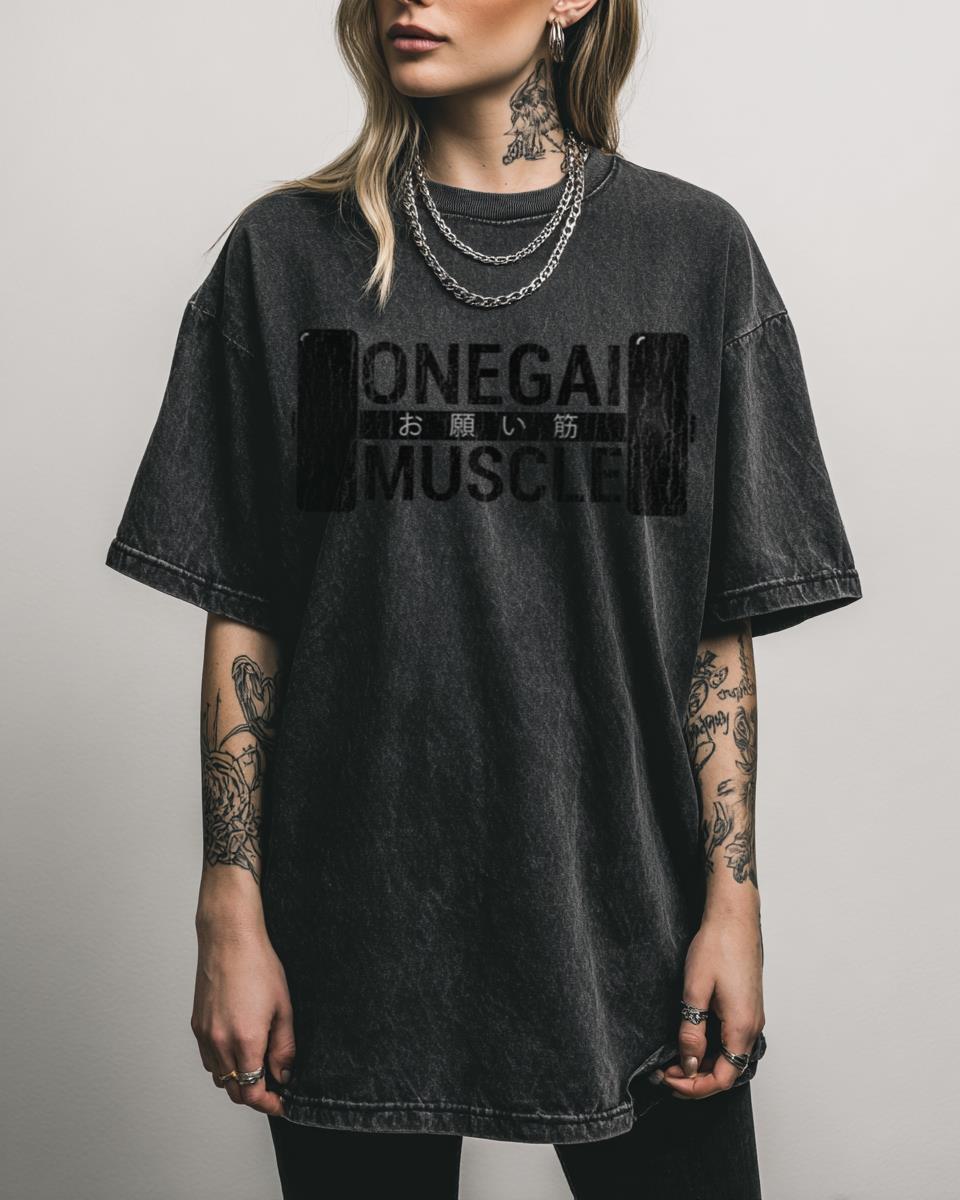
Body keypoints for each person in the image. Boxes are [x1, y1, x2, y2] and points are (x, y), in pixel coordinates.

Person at [104, 0, 863, 1196]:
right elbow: (247, 608)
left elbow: (710, 630)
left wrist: (734, 902)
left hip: (631, 923)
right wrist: (229, 904)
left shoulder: (686, 253)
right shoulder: (289, 256)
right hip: (352, 930)